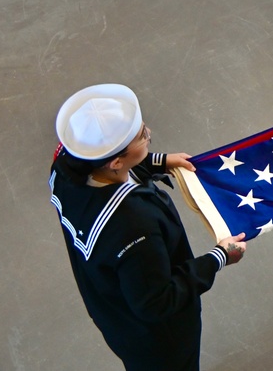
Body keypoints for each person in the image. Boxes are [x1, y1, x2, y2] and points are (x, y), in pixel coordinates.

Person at [49, 84, 247, 370]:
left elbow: (113, 173)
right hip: (159, 341)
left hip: (113, 310)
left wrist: (158, 162)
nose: (149, 133)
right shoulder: (133, 227)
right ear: (116, 161)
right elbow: (157, 301)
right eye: (142, 136)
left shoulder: (66, 165)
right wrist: (219, 257)